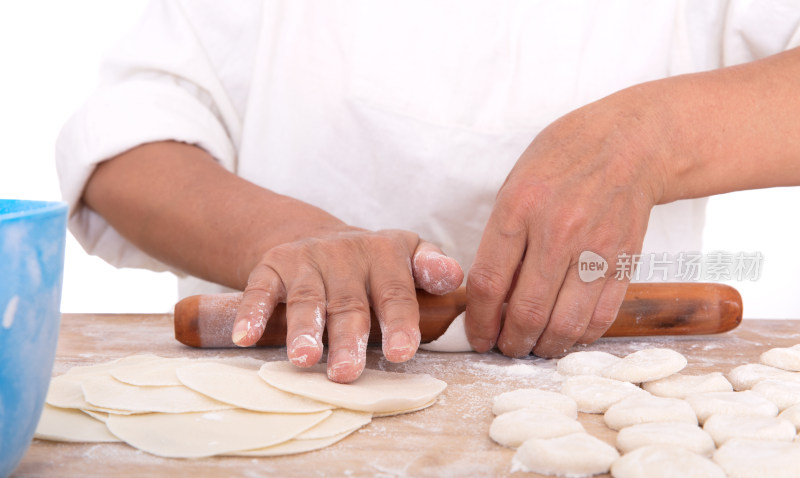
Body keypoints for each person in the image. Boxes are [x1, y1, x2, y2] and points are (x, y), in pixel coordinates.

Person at [57, 0, 800, 383]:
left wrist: (651, 137)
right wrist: (283, 239)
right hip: (286, 393)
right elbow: (131, 140)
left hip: (607, 408)